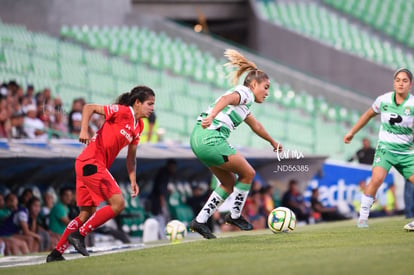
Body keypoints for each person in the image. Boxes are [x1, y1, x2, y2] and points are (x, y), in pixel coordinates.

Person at [46, 85, 155, 262]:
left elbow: (131, 157)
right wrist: (83, 130)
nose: (152, 108)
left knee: (86, 213)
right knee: (118, 204)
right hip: (91, 162)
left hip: (86, 164)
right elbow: (89, 108)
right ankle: (79, 235)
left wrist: (133, 179)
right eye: (149, 104)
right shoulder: (122, 112)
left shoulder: (139, 126)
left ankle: (56, 254)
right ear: (137, 102)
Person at [188, 49, 282, 239]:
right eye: (266, 87)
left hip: (198, 137)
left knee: (228, 182)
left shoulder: (244, 104)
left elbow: (256, 125)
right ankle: (235, 215)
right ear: (254, 84)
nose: (267, 92)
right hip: (211, 138)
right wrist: (212, 116)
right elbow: (225, 99)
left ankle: (199, 221)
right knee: (248, 173)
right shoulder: (245, 92)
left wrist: (272, 141)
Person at [343, 68, 414, 229]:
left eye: (405, 81)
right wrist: (352, 132)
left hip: (406, 152)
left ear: (410, 85)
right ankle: (362, 218)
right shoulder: (383, 100)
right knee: (376, 179)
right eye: (398, 80)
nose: (400, 83)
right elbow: (368, 114)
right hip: (386, 149)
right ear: (393, 83)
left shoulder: (413, 104)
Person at [149, 158, 177, 239]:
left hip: (158, 199)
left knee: (162, 216)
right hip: (157, 200)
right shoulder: (164, 174)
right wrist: (162, 201)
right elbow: (160, 189)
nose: (174, 169)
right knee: (161, 216)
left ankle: (163, 235)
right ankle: (162, 236)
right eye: (173, 167)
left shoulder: (166, 174)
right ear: (169, 166)